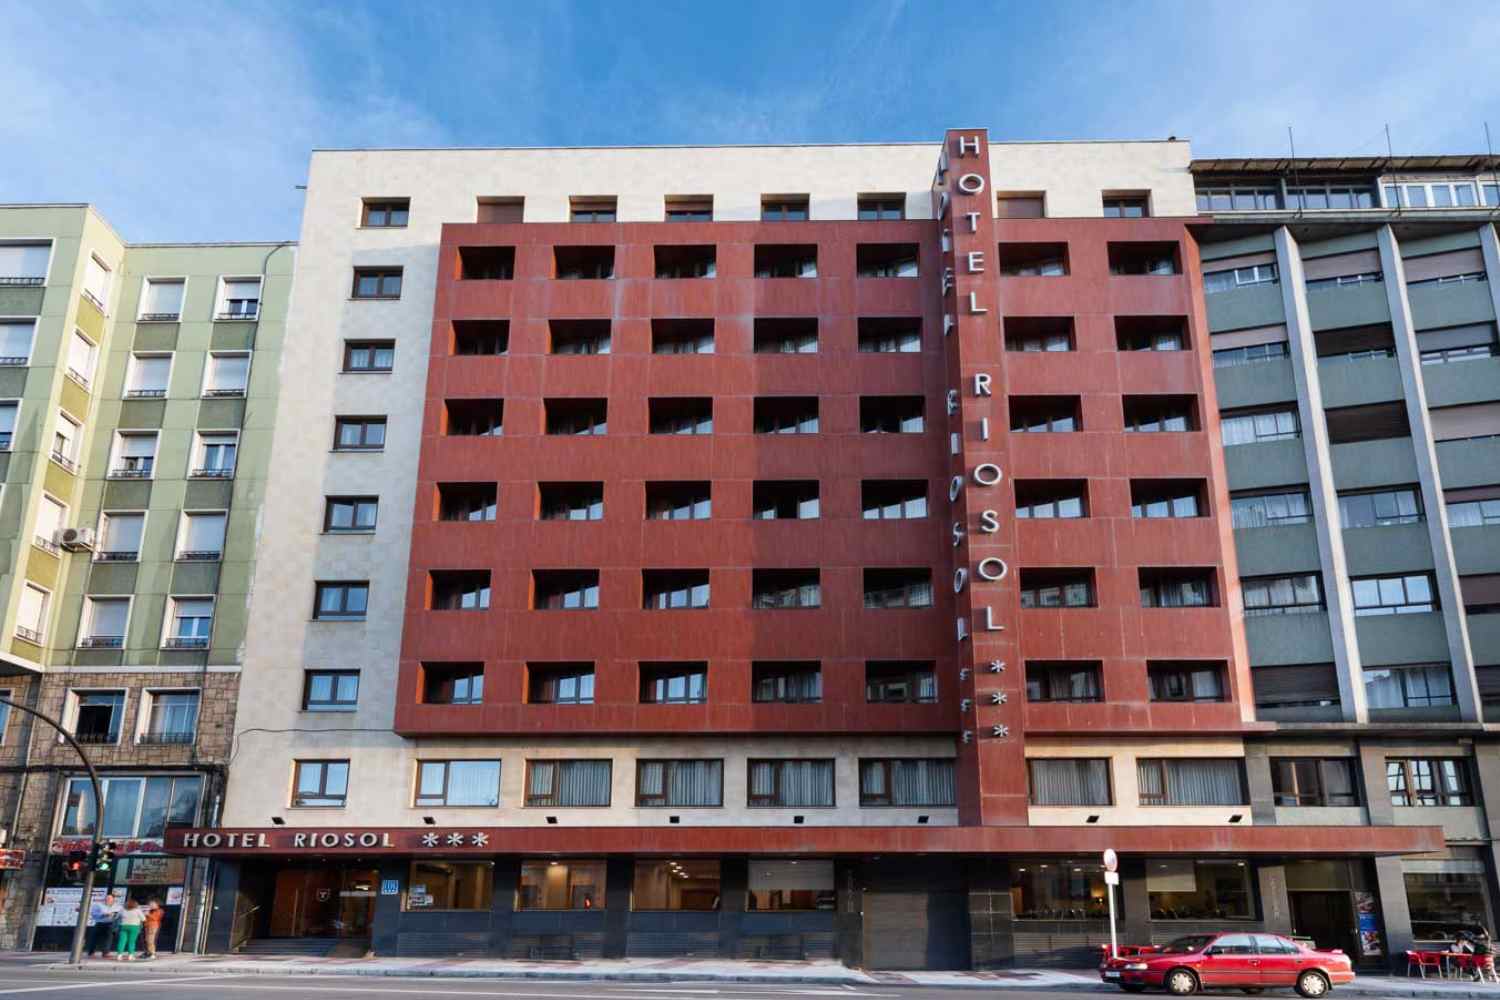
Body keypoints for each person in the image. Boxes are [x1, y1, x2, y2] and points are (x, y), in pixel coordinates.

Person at [85, 892, 120, 958]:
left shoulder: (117, 906)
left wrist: (115, 915)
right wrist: (102, 915)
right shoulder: (98, 905)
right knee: (95, 938)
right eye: (107, 898)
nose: (108, 899)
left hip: (110, 923)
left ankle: (105, 953)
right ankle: (91, 952)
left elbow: (119, 914)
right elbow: (93, 914)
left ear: (113, 899)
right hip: (100, 923)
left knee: (108, 939)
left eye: (110, 898)